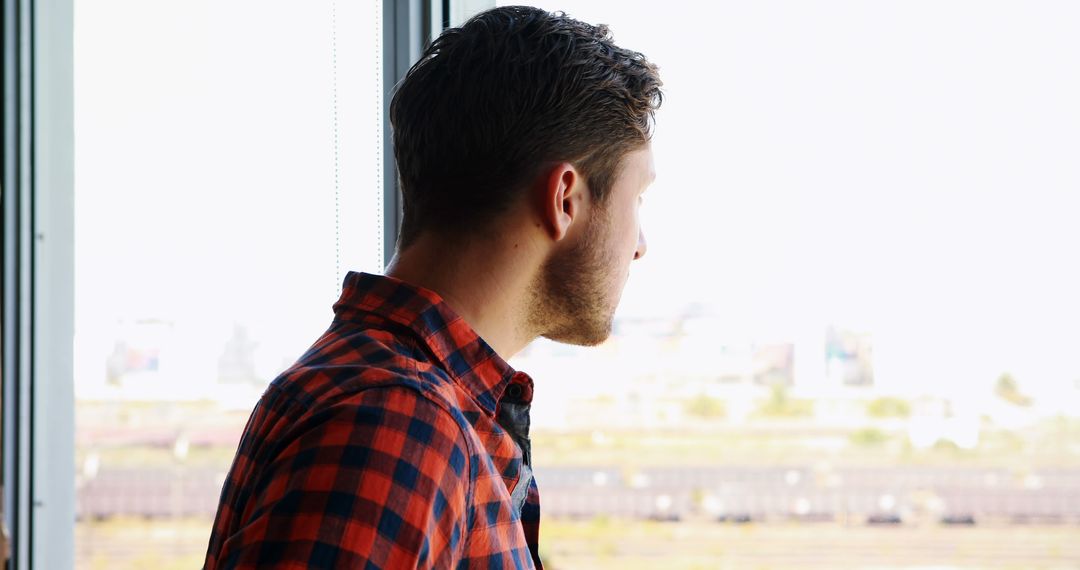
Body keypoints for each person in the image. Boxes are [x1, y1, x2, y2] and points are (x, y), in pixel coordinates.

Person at [203, 5, 661, 569]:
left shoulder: (406, 401)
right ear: (565, 198)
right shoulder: (395, 424)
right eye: (636, 200)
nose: (639, 243)